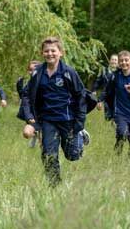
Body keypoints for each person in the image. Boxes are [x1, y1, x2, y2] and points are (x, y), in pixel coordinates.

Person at [21, 37, 87, 187]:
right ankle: (54, 186)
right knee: (49, 155)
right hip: (47, 120)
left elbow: (81, 96)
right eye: (46, 51)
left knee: (72, 155)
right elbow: (26, 94)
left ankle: (81, 136)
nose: (50, 53)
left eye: (53, 51)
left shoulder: (69, 72)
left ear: (60, 53)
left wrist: (80, 122)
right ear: (42, 53)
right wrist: (29, 116)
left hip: (67, 119)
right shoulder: (37, 72)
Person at [99, 50, 130, 155]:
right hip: (120, 113)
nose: (124, 63)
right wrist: (100, 100)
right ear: (119, 63)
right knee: (122, 133)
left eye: (126, 60)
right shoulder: (115, 76)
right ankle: (117, 155)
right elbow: (107, 91)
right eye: (121, 61)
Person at [16, 60, 42, 148]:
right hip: (31, 113)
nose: (32, 72)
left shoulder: (45, 82)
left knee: (43, 137)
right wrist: (19, 85)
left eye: (35, 69)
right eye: (30, 70)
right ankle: (34, 135)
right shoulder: (29, 84)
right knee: (27, 133)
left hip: (42, 113)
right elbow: (23, 96)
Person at [93, 54, 118, 121]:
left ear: (118, 62)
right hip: (106, 96)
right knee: (108, 116)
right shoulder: (104, 71)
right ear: (110, 61)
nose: (114, 61)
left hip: (117, 97)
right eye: (112, 59)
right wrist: (94, 90)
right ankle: (109, 128)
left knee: (117, 116)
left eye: (115, 60)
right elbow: (98, 81)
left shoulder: (119, 72)